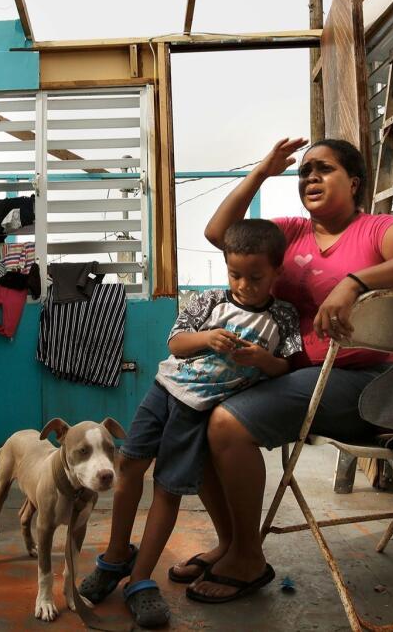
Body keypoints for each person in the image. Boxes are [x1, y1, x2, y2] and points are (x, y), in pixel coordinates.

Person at [180, 137, 393, 604]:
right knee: (196, 412)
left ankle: (249, 558)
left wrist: (356, 282)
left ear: (353, 182)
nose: (309, 177)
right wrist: (263, 171)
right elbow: (220, 234)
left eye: (323, 169)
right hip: (290, 376)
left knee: (226, 424)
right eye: (303, 171)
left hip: (363, 384)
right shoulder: (289, 233)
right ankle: (231, 543)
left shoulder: (377, 230)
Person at [78, 219, 305, 627]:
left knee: (169, 488)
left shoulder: (283, 318)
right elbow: (175, 343)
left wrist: (261, 360)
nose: (243, 285)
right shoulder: (211, 300)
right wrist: (208, 338)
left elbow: (286, 367)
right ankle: (115, 556)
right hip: (164, 391)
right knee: (130, 466)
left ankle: (141, 579)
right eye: (235, 274)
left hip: (198, 409)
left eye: (256, 277)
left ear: (277, 271)